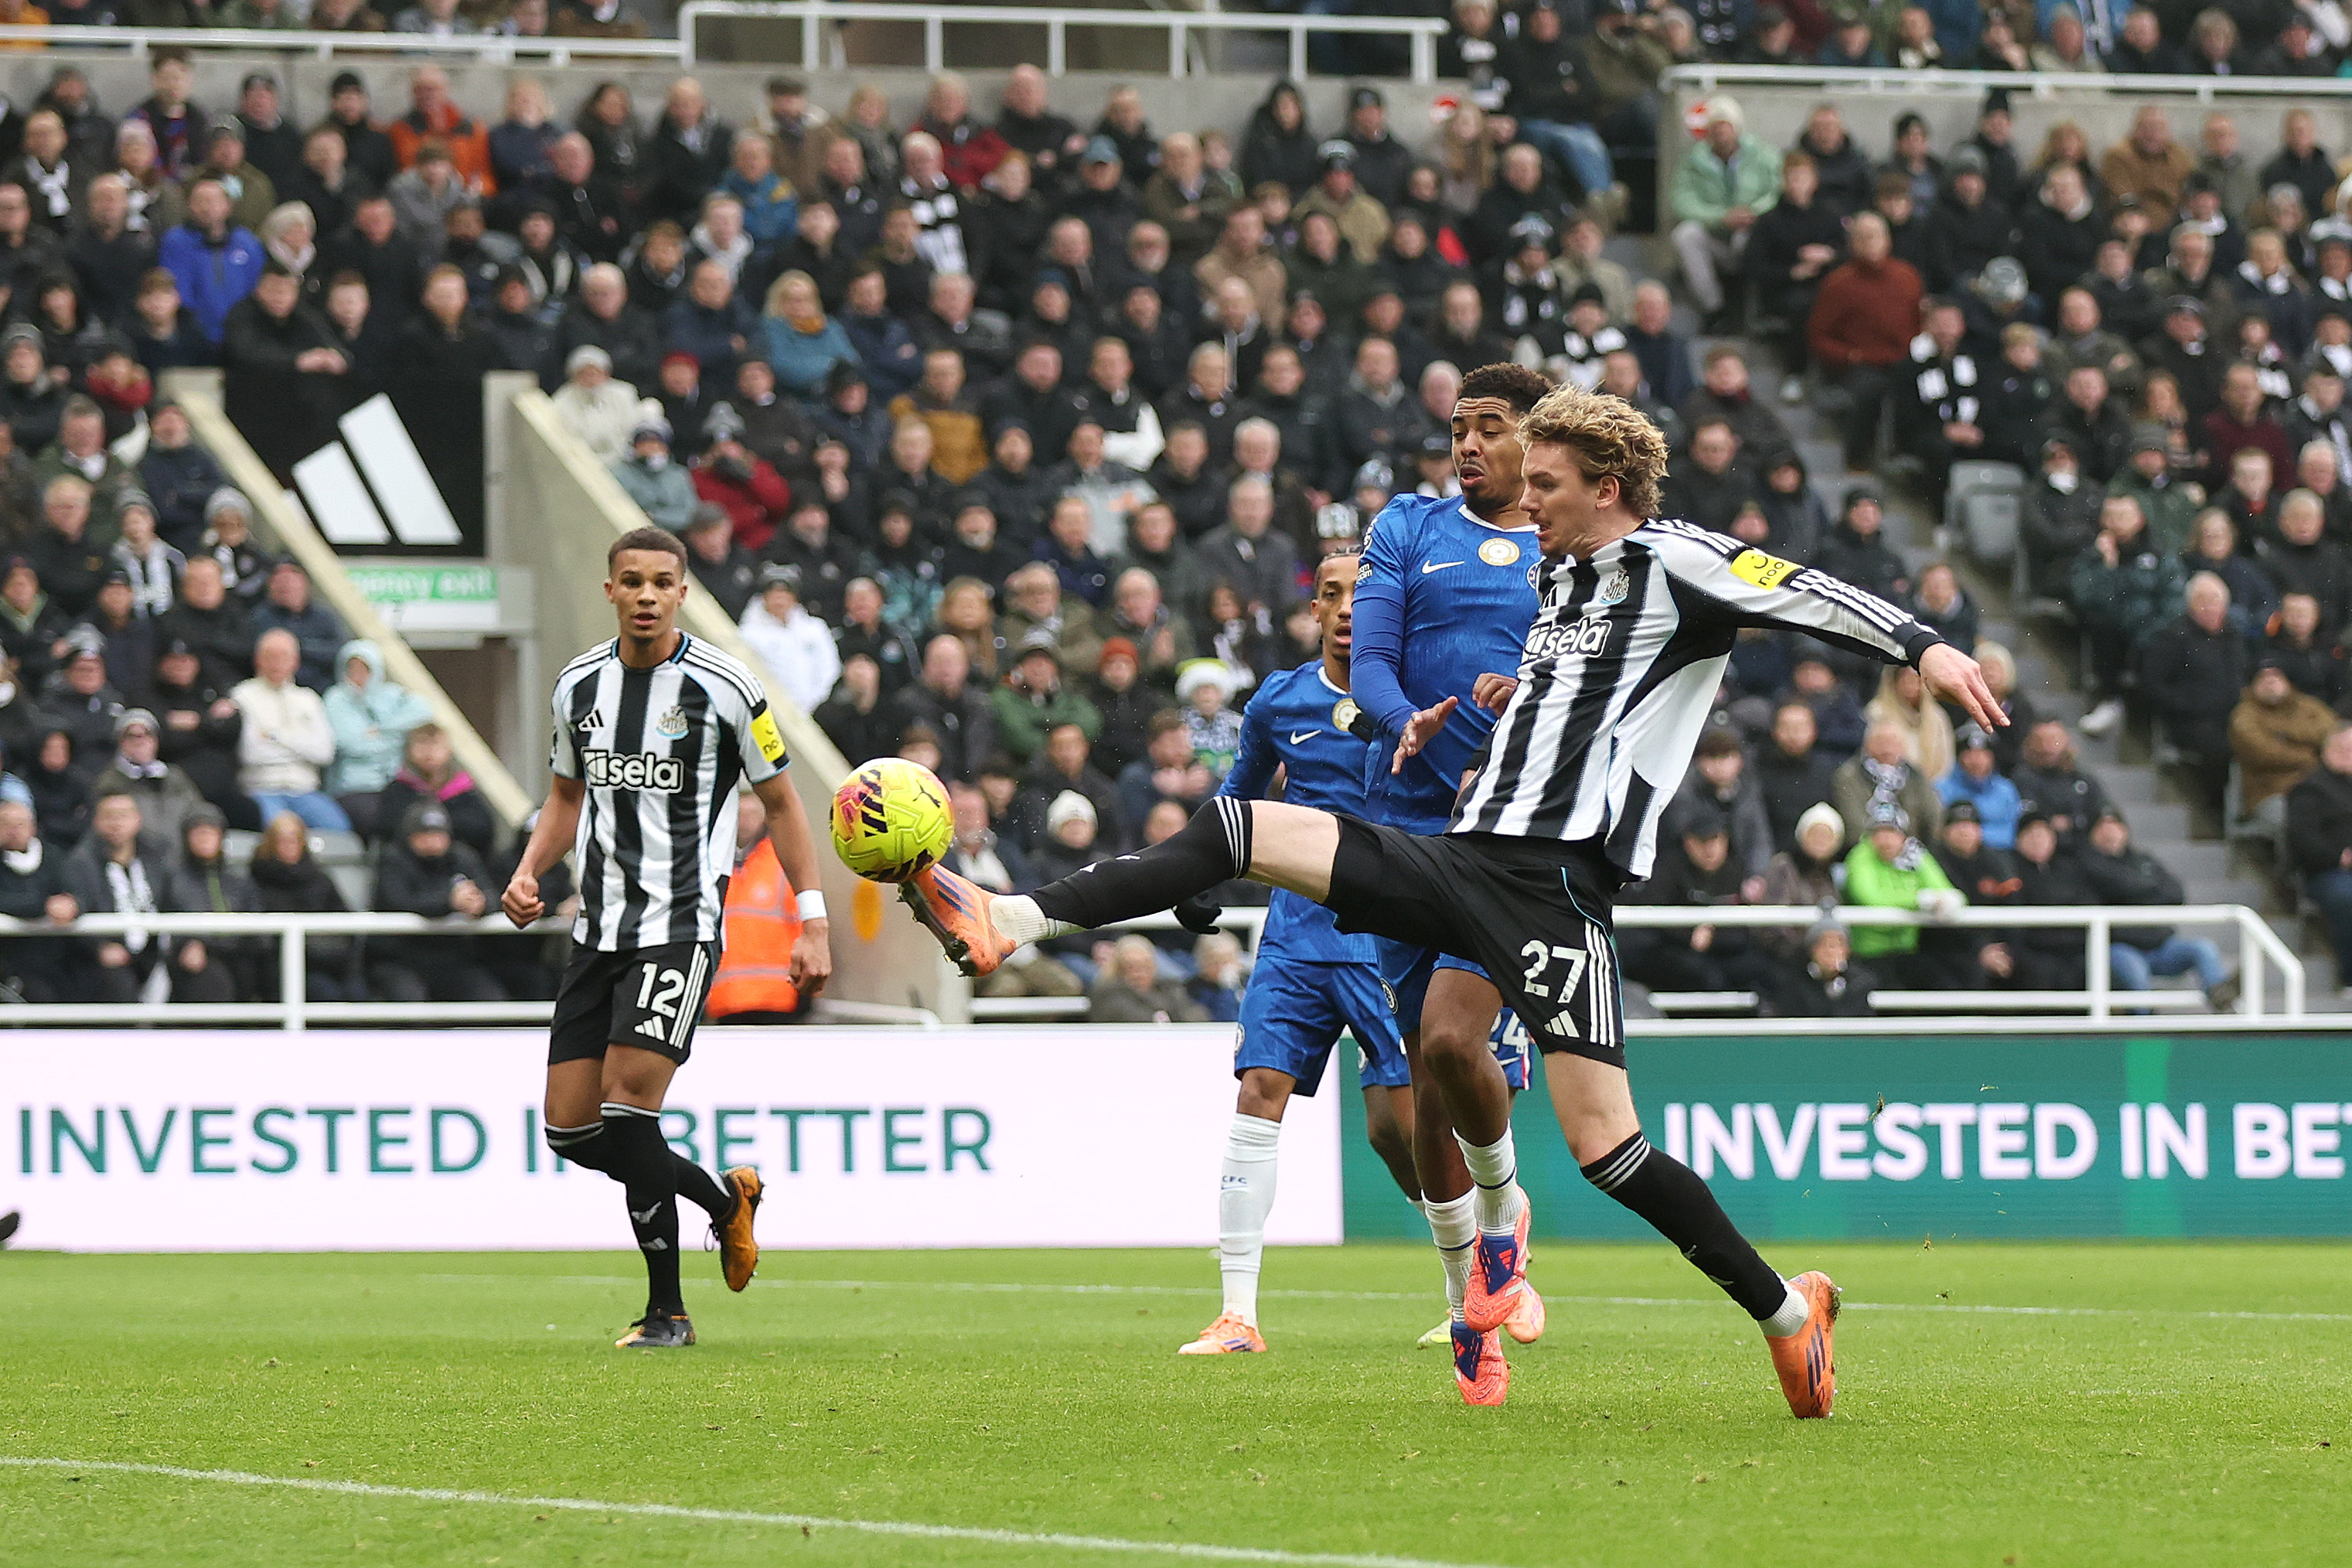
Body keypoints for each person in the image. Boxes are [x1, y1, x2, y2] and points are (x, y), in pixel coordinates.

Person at [895, 383, 2003, 1418]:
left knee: (1610, 1152)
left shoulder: (1671, 558)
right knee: (1241, 832)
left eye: (1549, 485)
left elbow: (1799, 590)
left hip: (1556, 891)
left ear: (1606, 489)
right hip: (1468, 856)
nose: (1528, 501)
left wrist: (1925, 647)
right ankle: (1010, 919)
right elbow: (1585, 699)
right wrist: (1499, 700)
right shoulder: (1561, 584)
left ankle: (1783, 1314)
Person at [502, 525, 830, 1349]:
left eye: (662, 582)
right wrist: (530, 867)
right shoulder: (576, 686)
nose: (647, 595)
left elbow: (785, 804)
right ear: (609, 590)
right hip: (597, 928)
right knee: (572, 1131)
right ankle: (726, 1203)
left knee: (627, 1107)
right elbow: (565, 798)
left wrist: (813, 918)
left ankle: (667, 1314)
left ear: (682, 592)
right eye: (632, 581)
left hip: (681, 924)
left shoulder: (726, 687)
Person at [1178, 551, 1458, 1358]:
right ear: (1312, 613)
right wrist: (1204, 868)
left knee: (1396, 1131)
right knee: (1258, 1089)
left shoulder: (1414, 697)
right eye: (1329, 595)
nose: (1343, 609)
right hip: (1298, 930)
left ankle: (1472, 1285)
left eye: (1360, 597)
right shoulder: (1280, 698)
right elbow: (1241, 792)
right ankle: (1237, 1316)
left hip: (1386, 930)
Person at [2080, 806, 2235, 1007]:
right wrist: (2147, 889)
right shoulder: (2087, 865)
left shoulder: (2144, 861)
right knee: (2136, 974)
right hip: (2120, 946)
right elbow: (2121, 887)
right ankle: (2144, 1027)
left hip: (2160, 945)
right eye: (2103, 828)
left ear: (2125, 830)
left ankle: (2221, 998)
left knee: (2203, 949)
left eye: (2115, 826)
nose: (2110, 833)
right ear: (2093, 834)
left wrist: (2136, 892)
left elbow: (2175, 893)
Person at [232, 628, 346, 830]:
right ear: (258, 660)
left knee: (340, 833)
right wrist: (302, 746)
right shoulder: (242, 696)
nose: (277, 663)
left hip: (306, 791)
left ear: (296, 661)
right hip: (262, 789)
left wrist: (276, 737)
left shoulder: (309, 699)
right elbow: (251, 754)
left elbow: (324, 752)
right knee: (280, 835)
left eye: (284, 656)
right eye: (270, 656)